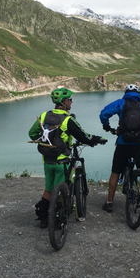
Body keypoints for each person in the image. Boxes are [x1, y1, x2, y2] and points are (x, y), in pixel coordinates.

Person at [29, 87, 107, 228]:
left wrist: (45, 137)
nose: (71, 102)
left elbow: (32, 134)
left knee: (49, 189)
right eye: (70, 99)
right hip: (61, 161)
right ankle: (58, 218)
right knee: (62, 187)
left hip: (47, 160)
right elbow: (83, 136)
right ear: (64, 102)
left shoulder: (44, 115)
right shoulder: (67, 120)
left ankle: (43, 217)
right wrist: (97, 139)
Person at [99, 84, 140, 218]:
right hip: (139, 144)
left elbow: (104, 113)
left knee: (115, 172)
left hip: (123, 143)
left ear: (126, 93)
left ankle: (109, 202)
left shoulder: (120, 104)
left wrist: (106, 126)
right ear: (139, 94)